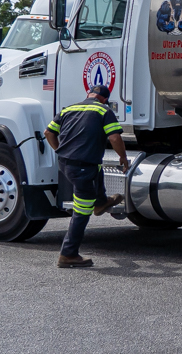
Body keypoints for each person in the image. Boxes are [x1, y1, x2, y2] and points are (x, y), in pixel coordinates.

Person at [45, 79, 128, 268]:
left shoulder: (68, 109)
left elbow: (48, 132)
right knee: (81, 211)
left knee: (97, 169)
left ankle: (101, 202)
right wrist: (123, 157)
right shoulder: (103, 111)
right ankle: (68, 254)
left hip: (66, 164)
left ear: (89, 94)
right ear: (104, 99)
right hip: (82, 167)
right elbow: (114, 136)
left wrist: (59, 151)